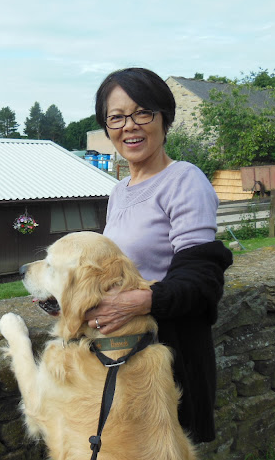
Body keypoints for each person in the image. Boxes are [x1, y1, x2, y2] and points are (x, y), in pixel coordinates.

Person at [85, 67, 233, 443]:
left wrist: (139, 302)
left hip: (167, 356)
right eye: (116, 117)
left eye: (142, 113)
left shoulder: (184, 180)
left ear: (164, 118)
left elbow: (201, 280)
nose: (129, 126)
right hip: (122, 355)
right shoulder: (119, 190)